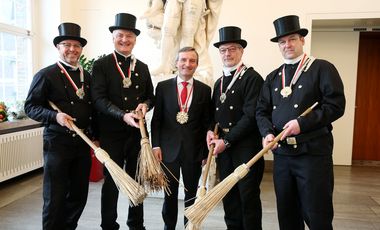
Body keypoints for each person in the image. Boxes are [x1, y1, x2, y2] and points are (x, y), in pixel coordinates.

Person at [256, 15, 346, 230]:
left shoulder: (322, 68)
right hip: (283, 156)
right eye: (282, 42)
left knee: (317, 215)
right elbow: (261, 111)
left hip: (313, 155)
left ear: (302, 40)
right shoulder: (273, 77)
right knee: (287, 215)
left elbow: (335, 106)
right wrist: (267, 133)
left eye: (292, 39)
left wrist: (302, 124)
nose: (287, 45)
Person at [24, 22, 95, 229]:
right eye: (66, 44)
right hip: (57, 144)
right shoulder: (46, 75)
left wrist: (96, 137)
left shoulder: (87, 77)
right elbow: (31, 107)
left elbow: (93, 110)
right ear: (58, 47)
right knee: (55, 197)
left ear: (81, 49)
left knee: (78, 195)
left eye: (76, 45)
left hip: (82, 144)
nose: (72, 49)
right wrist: (55, 117)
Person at [91, 13, 154, 230]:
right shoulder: (101, 65)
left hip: (137, 133)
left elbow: (150, 96)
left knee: (137, 180)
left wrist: (145, 105)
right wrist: (122, 115)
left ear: (135, 39)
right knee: (112, 182)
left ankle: (136, 225)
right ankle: (108, 225)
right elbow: (98, 99)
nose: (125, 40)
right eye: (120, 36)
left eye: (129, 36)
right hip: (111, 133)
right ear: (113, 37)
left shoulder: (143, 67)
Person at [206, 26, 265, 230]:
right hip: (224, 149)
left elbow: (251, 117)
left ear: (241, 51)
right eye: (223, 50)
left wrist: (227, 141)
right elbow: (214, 115)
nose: (227, 54)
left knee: (247, 196)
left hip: (246, 148)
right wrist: (209, 131)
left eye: (232, 49)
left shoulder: (252, 78)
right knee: (228, 195)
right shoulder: (219, 82)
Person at [151, 47, 211, 230]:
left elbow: (206, 123)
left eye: (192, 61)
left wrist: (206, 152)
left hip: (193, 151)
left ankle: (190, 226)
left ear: (197, 65)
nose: (187, 64)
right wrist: (156, 146)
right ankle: (168, 227)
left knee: (191, 193)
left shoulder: (204, 90)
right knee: (169, 194)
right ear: (176, 63)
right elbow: (157, 120)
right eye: (183, 60)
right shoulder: (163, 87)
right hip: (168, 151)